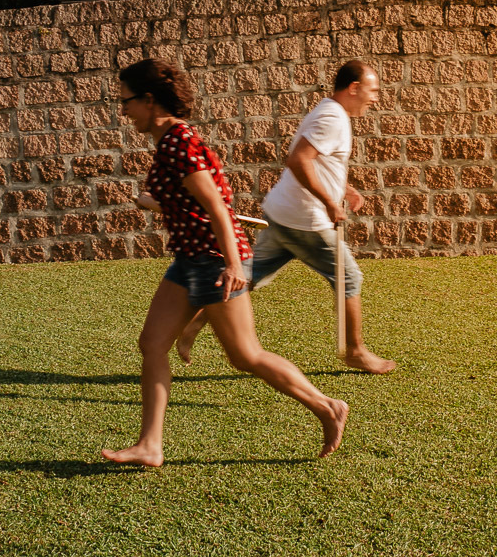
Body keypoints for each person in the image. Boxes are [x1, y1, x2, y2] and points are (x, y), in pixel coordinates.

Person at [101, 58, 348, 467]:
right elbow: (193, 198)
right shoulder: (171, 142)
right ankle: (150, 445)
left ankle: (327, 407)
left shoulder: (179, 141)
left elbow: (217, 207)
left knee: (246, 355)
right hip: (190, 258)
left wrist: (233, 265)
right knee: (153, 344)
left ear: (149, 100)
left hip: (213, 259)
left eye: (126, 101)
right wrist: (156, 200)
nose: (123, 109)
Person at [169, 60, 396, 375]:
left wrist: (347, 188)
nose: (375, 98)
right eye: (372, 90)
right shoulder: (333, 117)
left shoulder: (328, 111)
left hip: (284, 213)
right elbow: (298, 160)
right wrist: (330, 202)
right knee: (349, 277)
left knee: (249, 275)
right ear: (354, 88)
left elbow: (322, 161)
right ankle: (355, 351)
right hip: (306, 220)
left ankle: (197, 321)